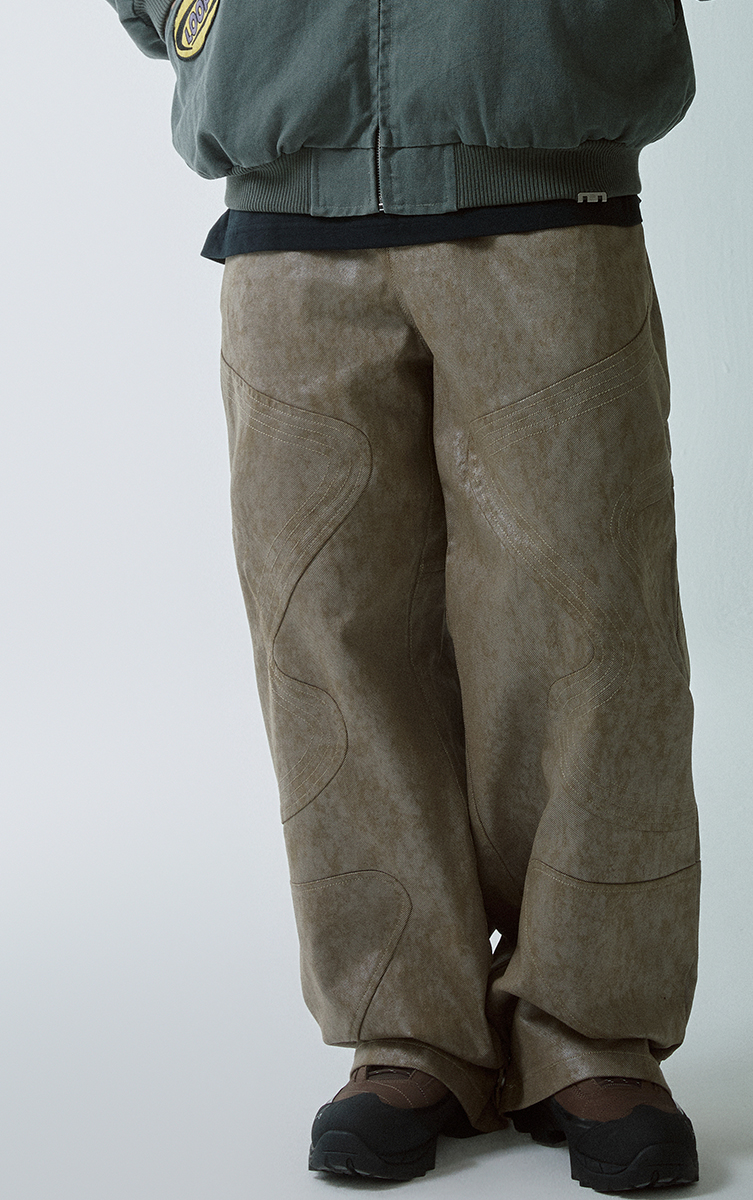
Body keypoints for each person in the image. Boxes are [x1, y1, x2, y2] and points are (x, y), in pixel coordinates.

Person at [107, 0, 707, 1191]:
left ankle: (592, 1030)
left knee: (592, 626)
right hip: (287, 177)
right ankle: (406, 1027)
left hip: (543, 149)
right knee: (326, 637)